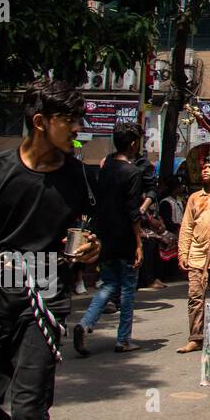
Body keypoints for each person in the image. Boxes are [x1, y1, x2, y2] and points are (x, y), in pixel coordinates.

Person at [0, 79, 102, 420]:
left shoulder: (78, 177)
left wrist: (90, 251)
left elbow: (84, 237)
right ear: (40, 121)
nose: (77, 128)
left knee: (29, 411)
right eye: (69, 119)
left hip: (47, 296)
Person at [73, 122, 146, 355]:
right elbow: (133, 211)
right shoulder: (132, 172)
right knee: (127, 289)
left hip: (104, 236)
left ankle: (85, 324)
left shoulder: (105, 167)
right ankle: (123, 339)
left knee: (109, 284)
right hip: (124, 237)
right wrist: (138, 243)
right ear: (133, 144)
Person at [175, 156, 210, 353]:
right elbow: (187, 227)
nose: (205, 170)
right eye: (204, 167)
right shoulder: (194, 198)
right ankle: (196, 337)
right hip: (196, 254)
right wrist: (183, 252)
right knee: (195, 297)